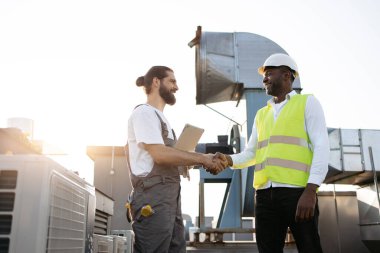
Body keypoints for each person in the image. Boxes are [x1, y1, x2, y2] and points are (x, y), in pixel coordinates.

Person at [215, 53, 329, 253]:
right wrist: (228, 160)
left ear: (286, 75)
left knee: (310, 248)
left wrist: (311, 191)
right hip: (265, 197)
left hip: (297, 194)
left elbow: (321, 146)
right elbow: (251, 154)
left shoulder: (307, 103)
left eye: (268, 73)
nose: (264, 79)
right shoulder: (262, 114)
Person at [126, 65, 225, 253]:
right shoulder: (144, 113)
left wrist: (195, 161)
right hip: (153, 198)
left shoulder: (162, 119)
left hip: (169, 197)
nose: (176, 87)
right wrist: (202, 158)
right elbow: (160, 155)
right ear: (156, 82)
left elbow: (166, 158)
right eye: (172, 81)